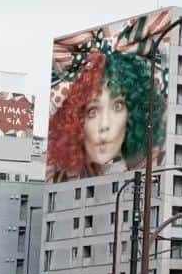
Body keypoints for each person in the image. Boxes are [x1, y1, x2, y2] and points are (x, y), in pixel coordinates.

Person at [46, 29, 165, 182]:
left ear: (133, 114)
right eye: (93, 111)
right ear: (76, 119)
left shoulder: (152, 167)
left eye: (117, 107)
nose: (104, 125)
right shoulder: (57, 175)